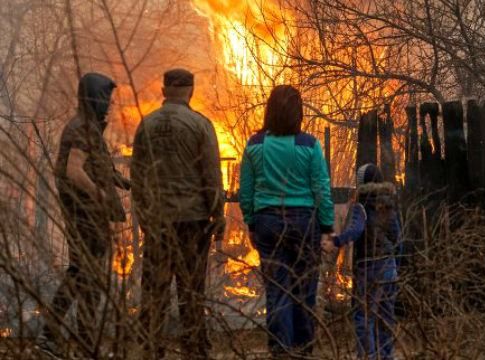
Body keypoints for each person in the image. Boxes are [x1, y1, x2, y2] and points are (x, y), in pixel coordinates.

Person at [131, 68, 225, 360]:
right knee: (191, 290)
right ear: (191, 90)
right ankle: (194, 349)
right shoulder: (200, 124)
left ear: (163, 90)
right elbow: (211, 173)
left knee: (154, 291)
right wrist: (218, 213)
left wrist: (145, 217)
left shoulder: (145, 125)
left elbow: (137, 176)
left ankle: (150, 348)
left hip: (158, 220)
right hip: (192, 222)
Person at [38, 73, 129, 358]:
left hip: (88, 214)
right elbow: (73, 170)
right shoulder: (82, 128)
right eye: (106, 99)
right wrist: (99, 195)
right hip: (84, 215)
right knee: (81, 274)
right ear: (94, 98)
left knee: (86, 275)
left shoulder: (87, 127)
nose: (110, 105)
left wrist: (119, 180)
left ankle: (83, 339)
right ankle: (53, 336)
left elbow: (92, 164)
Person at [239, 85, 334, 357]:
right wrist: (327, 227)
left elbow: (246, 189)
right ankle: (303, 351)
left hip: (267, 222)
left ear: (270, 111)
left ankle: (280, 352)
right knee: (305, 292)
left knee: (277, 291)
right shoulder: (310, 145)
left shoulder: (255, 145)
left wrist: (251, 222)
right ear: (298, 112)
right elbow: (321, 189)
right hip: (304, 224)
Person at [321, 163, 400, 360]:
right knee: (386, 318)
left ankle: (368, 357)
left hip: (369, 268)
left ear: (361, 183)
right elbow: (398, 238)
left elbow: (356, 231)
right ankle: (387, 356)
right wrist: (395, 264)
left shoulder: (362, 206)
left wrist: (336, 241)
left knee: (364, 317)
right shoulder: (388, 206)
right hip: (389, 267)